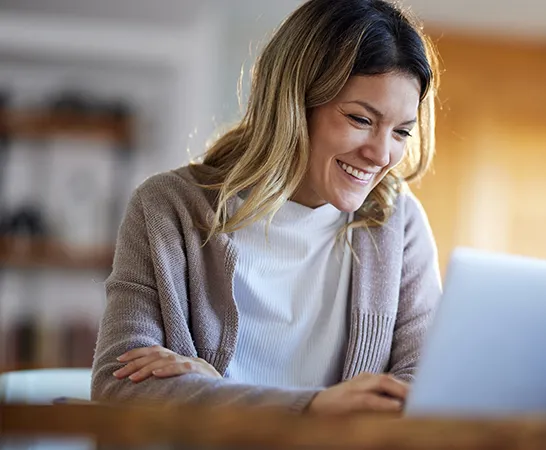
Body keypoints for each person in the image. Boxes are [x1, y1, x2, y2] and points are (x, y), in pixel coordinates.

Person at [91, 0, 441, 415]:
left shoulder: (397, 223)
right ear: (293, 103)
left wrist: (215, 391)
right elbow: (119, 386)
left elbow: (422, 393)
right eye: (360, 120)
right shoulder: (169, 209)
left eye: (401, 131)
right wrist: (312, 409)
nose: (382, 154)